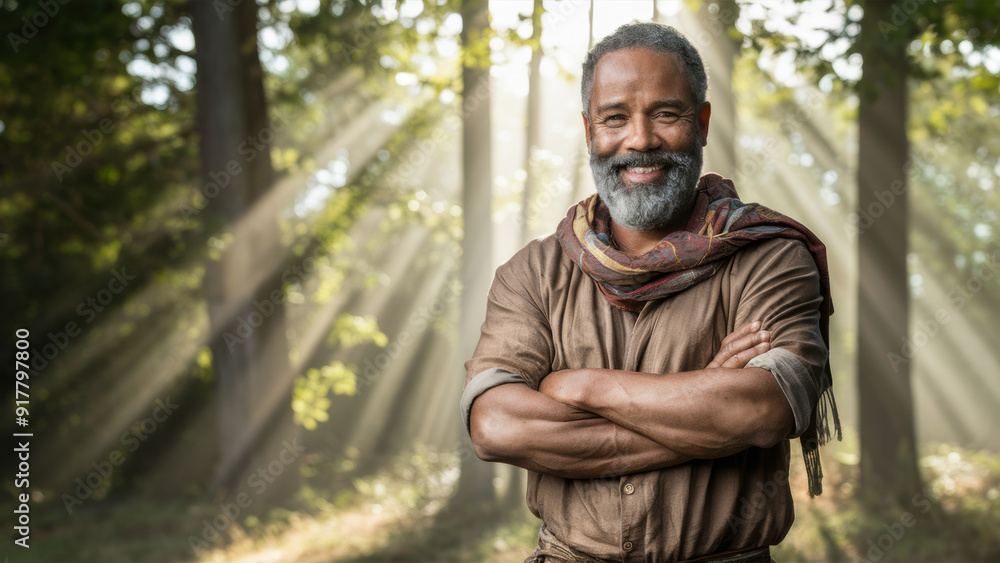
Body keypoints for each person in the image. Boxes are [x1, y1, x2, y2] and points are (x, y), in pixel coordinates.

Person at [460, 22, 840, 563]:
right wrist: (708, 404)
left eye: (666, 113)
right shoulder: (532, 273)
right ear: (590, 131)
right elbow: (497, 426)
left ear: (702, 123)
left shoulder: (769, 256)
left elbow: (765, 410)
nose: (640, 139)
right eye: (615, 118)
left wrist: (581, 387)